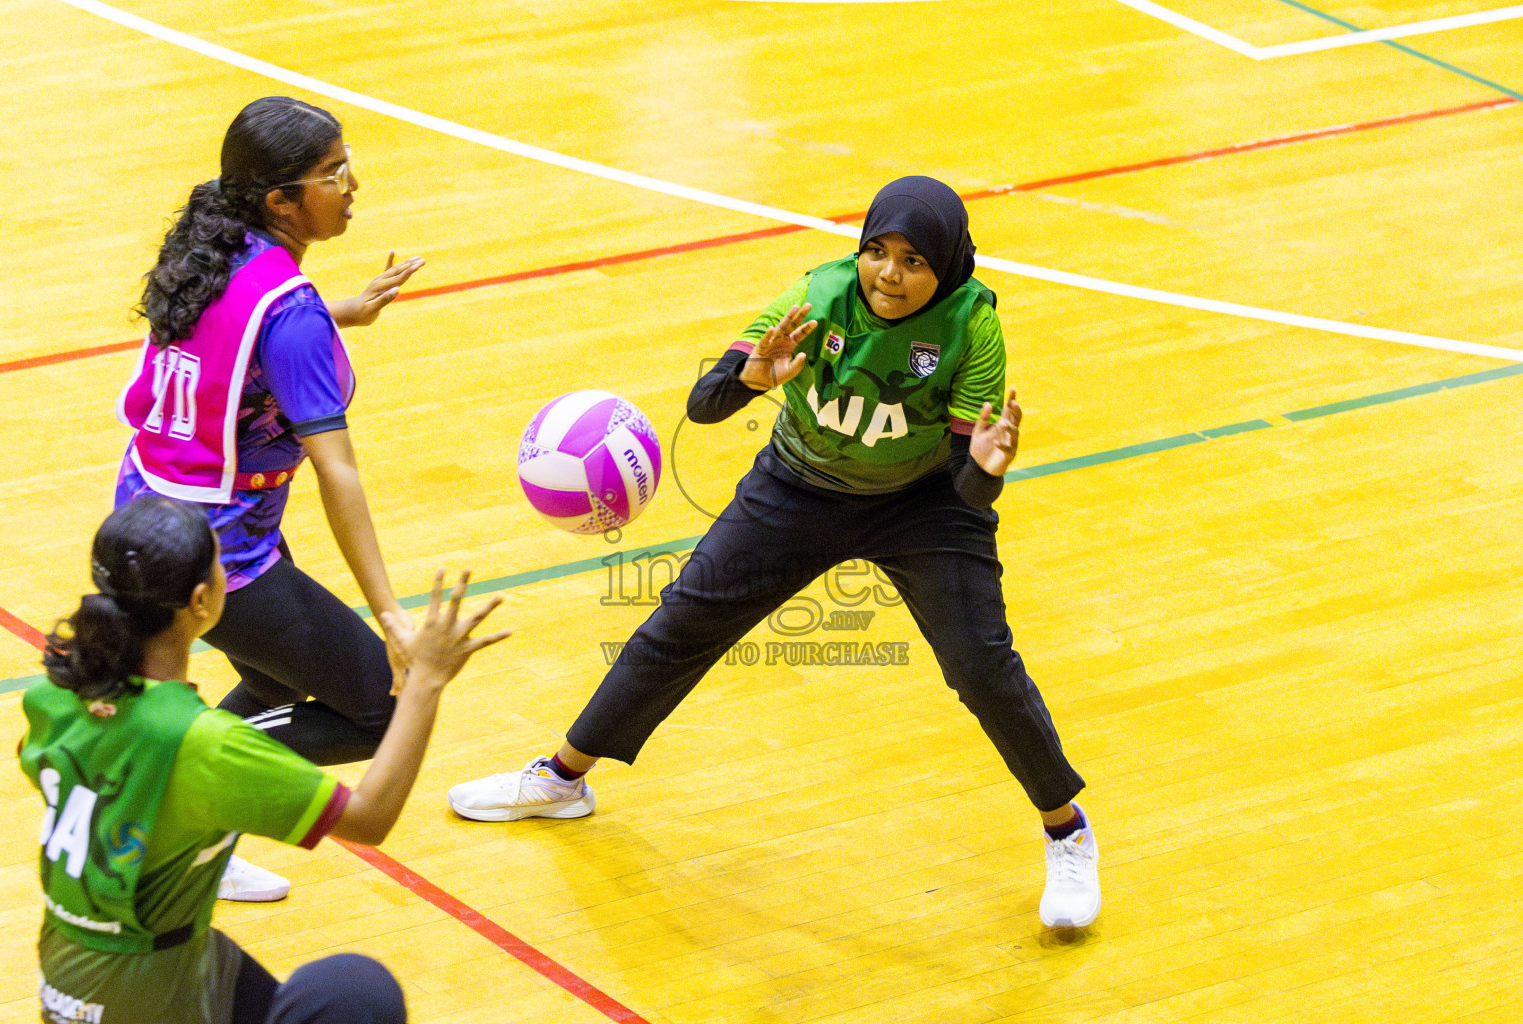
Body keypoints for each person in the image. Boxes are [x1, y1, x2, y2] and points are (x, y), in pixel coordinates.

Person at [448, 176, 1102, 928]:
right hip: (800, 484)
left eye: (914, 261)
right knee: (681, 624)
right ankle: (563, 779)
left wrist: (985, 469)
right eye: (877, 252)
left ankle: (1067, 830)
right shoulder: (819, 296)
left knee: (981, 665)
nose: (890, 274)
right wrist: (753, 377)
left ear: (947, 266)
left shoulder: (972, 326)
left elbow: (969, 491)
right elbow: (704, 406)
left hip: (923, 504)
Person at [24, 495, 508, 1023]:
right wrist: (425, 682)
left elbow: (50, 763)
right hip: (139, 996)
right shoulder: (205, 744)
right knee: (358, 994)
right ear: (201, 600)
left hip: (70, 969)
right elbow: (370, 818)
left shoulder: (54, 694)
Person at [115, 96, 423, 900]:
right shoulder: (289, 314)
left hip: (147, 510)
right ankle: (183, 792)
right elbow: (338, 472)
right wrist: (390, 612)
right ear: (281, 200)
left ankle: (189, 818)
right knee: (382, 711)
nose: (352, 185)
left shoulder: (211, 245)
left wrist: (341, 312)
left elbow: (234, 338)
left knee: (278, 682)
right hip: (216, 551)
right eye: (333, 173)